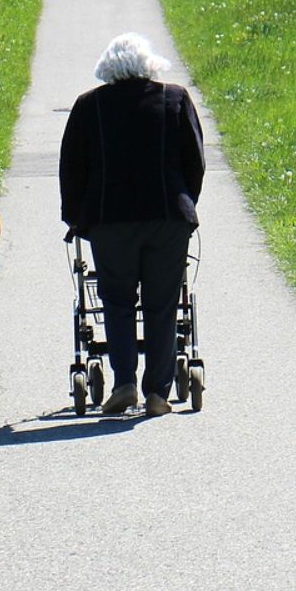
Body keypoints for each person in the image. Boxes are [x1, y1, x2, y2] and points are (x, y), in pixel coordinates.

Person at [59, 33, 205, 415]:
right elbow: (195, 161)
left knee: (117, 300)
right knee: (162, 303)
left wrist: (77, 218)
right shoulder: (174, 98)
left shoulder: (89, 106)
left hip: (111, 222)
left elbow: (72, 168)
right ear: (150, 64)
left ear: (108, 67)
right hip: (167, 218)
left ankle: (124, 382)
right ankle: (158, 393)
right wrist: (186, 204)